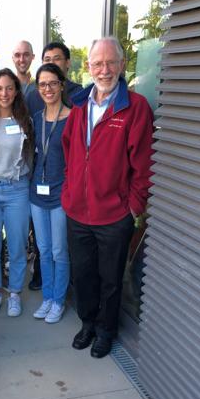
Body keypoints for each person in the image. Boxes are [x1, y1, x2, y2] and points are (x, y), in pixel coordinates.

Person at [62, 37, 154, 358]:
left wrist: (133, 208)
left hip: (115, 215)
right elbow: (69, 150)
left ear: (122, 65)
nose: (104, 70)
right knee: (83, 274)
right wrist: (69, 192)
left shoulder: (135, 107)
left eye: (110, 62)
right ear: (88, 67)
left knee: (110, 279)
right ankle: (88, 323)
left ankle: (106, 329)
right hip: (77, 213)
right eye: (97, 64)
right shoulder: (78, 105)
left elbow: (143, 166)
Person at [0, 68, 35, 318]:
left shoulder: (25, 122)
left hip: (17, 190)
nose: (4, 93)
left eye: (9, 88)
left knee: (17, 245)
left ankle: (14, 293)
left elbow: (31, 157)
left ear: (16, 91)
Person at [29, 64, 71, 324]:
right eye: (43, 84)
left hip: (61, 195)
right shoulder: (35, 118)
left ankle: (58, 300)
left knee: (58, 251)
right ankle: (47, 297)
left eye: (52, 83)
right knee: (43, 250)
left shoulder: (74, 117)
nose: (48, 89)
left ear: (61, 85)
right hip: (37, 194)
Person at [25, 41, 86, 115]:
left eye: (57, 59)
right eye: (47, 59)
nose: (51, 63)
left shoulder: (80, 94)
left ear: (67, 63)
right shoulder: (32, 96)